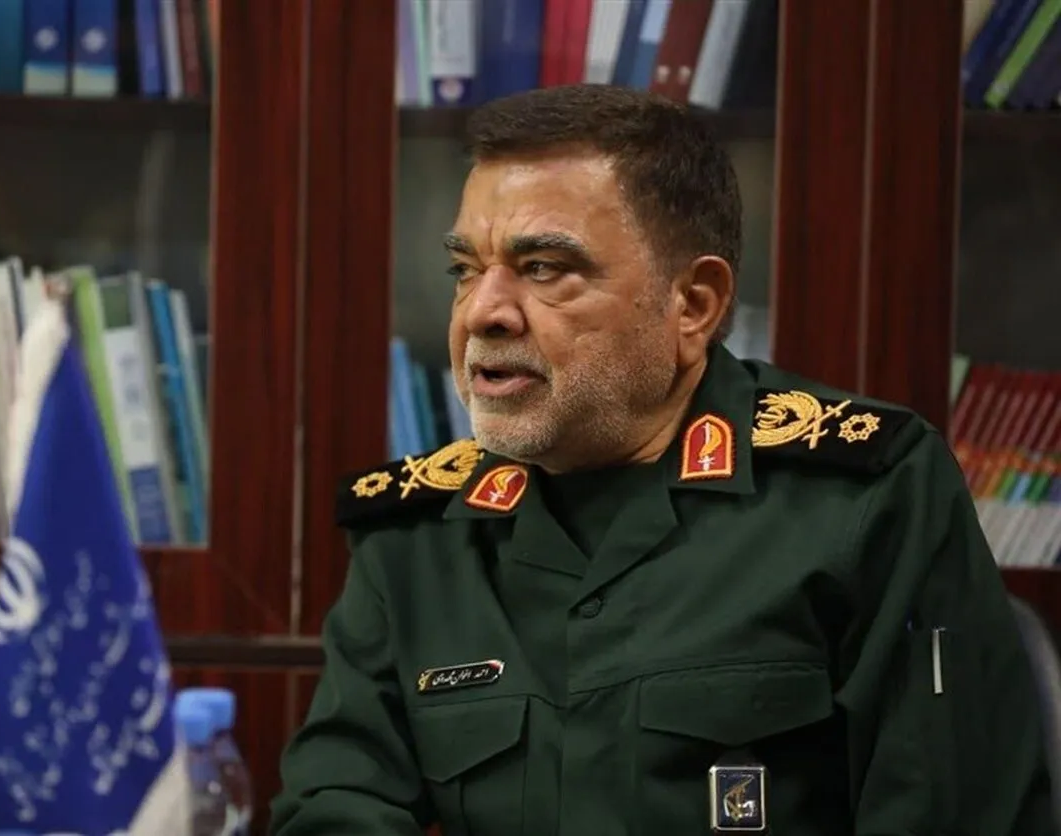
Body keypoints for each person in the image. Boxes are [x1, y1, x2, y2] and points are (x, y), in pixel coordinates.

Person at [268, 84, 1054, 835]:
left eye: (543, 269)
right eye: (466, 271)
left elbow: (950, 814)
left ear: (694, 306)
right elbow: (335, 803)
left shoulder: (863, 494)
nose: (483, 311)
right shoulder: (415, 534)